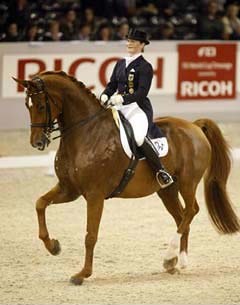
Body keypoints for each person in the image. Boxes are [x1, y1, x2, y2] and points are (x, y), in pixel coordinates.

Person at [99, 28, 173, 188]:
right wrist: (105, 94)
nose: (129, 44)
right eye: (128, 41)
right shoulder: (119, 63)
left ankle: (160, 171)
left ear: (141, 45)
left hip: (137, 108)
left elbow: (141, 92)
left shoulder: (145, 66)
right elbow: (112, 85)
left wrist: (122, 98)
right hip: (118, 107)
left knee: (138, 137)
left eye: (132, 41)